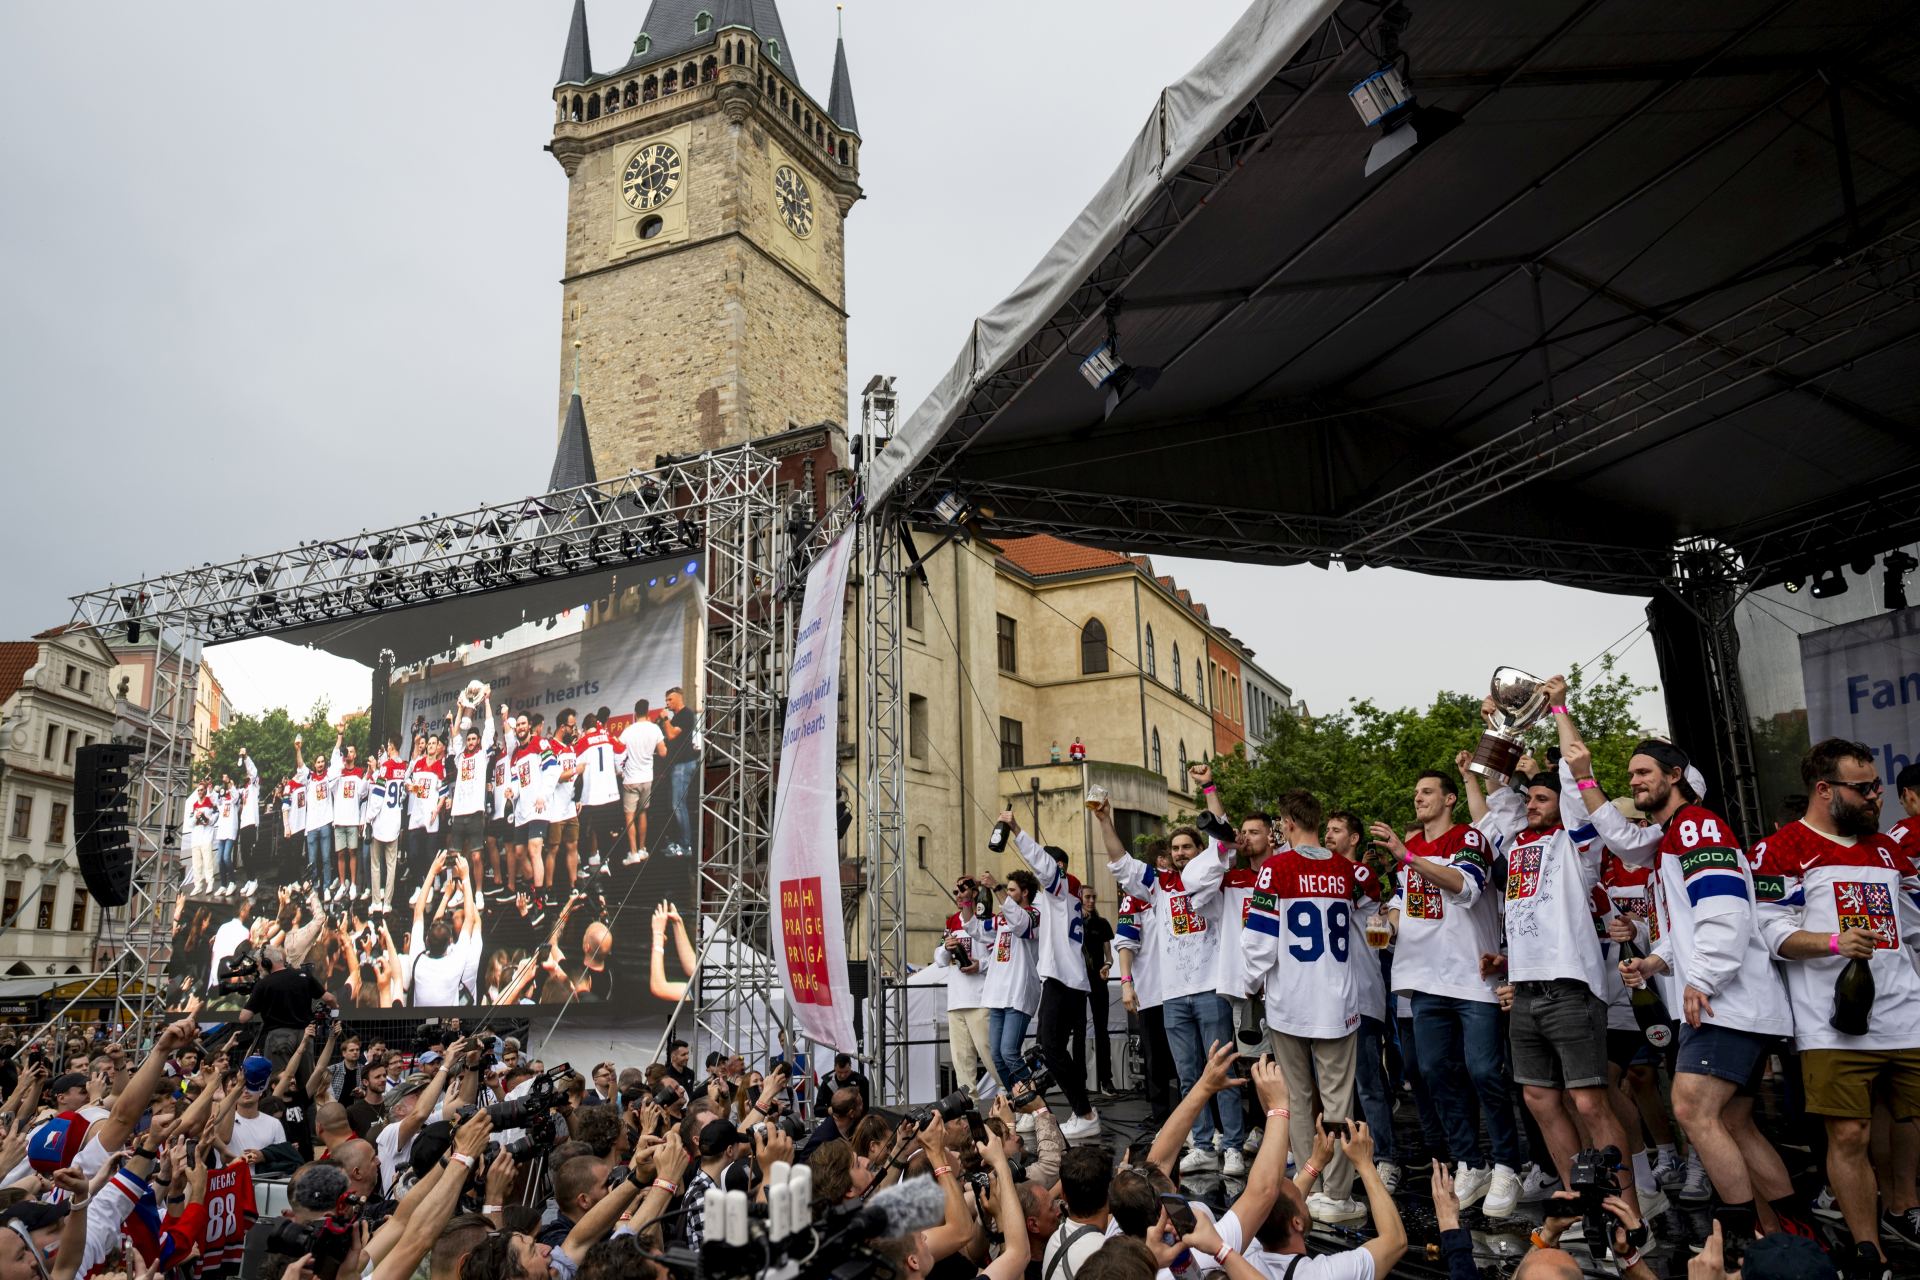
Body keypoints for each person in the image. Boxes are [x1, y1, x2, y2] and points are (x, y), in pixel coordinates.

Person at [1572, 733, 1805, 1243]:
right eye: (1630, 775)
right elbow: (1684, 923)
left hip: (1727, 1004)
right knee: (1737, 1124)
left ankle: (1743, 1242)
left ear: (1675, 776)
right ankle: (1790, 1239)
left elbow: (1725, 912)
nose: (1634, 782)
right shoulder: (1670, 840)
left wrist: (1701, 979)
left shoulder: (1696, 826)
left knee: (1689, 1108)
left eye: (1643, 772)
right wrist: (1655, 961)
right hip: (1729, 1003)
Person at [1469, 690, 1643, 1224]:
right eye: (1530, 801)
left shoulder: (1579, 845)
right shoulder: (1516, 843)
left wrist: (1560, 709)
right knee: (1541, 1101)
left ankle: (1627, 1213)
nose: (1531, 805)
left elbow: (1574, 769)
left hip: (1571, 988)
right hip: (1525, 992)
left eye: (1540, 800)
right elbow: (1494, 792)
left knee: (1590, 1102)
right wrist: (1498, 726)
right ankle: (1581, 1206)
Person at [1751, 737, 1920, 1279]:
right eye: (1865, 787)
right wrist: (1832, 943)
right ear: (1825, 790)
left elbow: (1912, 928)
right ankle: (1869, 1249)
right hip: (1833, 1023)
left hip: (1905, 1013)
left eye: (1877, 786)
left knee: (1910, 1119)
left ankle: (1903, 1208)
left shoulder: (1887, 850)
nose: (1877, 797)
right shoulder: (1782, 848)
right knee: (1850, 1135)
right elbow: (1771, 930)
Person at [1373, 768, 1523, 1216]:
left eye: (1427, 791)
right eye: (1415, 791)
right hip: (1424, 978)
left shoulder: (1469, 839)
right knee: (1437, 1072)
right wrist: (1386, 925)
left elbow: (1467, 889)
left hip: (1471, 977)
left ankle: (1508, 1165)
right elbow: (1402, 905)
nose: (1417, 797)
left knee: (1484, 1072)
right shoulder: (1412, 852)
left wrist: (1406, 856)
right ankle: (1469, 1162)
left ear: (1450, 799)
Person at [1244, 788, 1372, 1222]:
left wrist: (1248, 983)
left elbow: (1258, 942)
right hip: (1337, 1002)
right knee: (1338, 1101)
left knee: (1296, 1097)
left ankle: (1306, 1180)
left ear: (1287, 824)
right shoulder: (1345, 870)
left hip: (1289, 1001)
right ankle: (1337, 1193)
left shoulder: (1274, 869)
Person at [1096, 799, 1235, 1171]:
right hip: (1173, 996)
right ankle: (1203, 1145)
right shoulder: (1158, 886)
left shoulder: (1214, 879)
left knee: (1222, 1069)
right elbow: (1121, 863)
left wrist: (1208, 789)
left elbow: (1224, 835)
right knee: (1189, 1076)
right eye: (1174, 848)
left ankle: (1233, 1145)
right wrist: (1106, 821)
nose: (1179, 853)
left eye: (1187, 847)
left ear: (1199, 851)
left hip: (1210, 989)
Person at [1000, 809, 1102, 1139]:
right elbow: (1027, 925)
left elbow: (1043, 866)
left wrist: (1016, 829)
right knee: (1051, 1047)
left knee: (1051, 1047)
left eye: (1047, 865)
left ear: (1056, 867)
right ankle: (1078, 1109)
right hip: (1067, 980)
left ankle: (1084, 1112)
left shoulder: (1062, 889)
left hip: (1063, 980)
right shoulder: (1057, 899)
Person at [1324, 808, 1399, 1190]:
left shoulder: (1361, 874)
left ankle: (1385, 1157)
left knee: (1369, 1082)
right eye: (1326, 830)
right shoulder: (1321, 874)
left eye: (1337, 831)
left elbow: (1377, 936)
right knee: (1338, 1086)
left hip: (1363, 995)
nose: (1328, 836)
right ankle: (1344, 1156)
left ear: (1354, 839)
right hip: (1328, 999)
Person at [934, 877, 1002, 1099]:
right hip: (956, 1002)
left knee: (991, 1055)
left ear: (975, 893)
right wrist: (947, 947)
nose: (958, 895)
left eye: (963, 891)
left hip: (981, 1000)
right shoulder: (952, 921)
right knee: (962, 1061)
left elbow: (1000, 957)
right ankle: (969, 1109)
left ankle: (1017, 1097)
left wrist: (980, 965)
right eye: (955, 891)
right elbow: (940, 960)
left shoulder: (990, 920)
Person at [982, 870, 1043, 1093]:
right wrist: (967, 899)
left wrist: (997, 889)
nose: (1006, 894)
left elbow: (1020, 925)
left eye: (1011, 890)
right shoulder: (1004, 917)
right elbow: (978, 930)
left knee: (1009, 1052)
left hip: (1019, 992)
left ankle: (1034, 1102)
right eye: (1006, 889)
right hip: (998, 994)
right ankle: (1018, 1102)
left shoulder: (1035, 915)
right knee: (997, 1056)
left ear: (1025, 893)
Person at [237, 946, 336, 1034]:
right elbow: (330, 999)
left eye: (259, 964)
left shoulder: (263, 984)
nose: (258, 968)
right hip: (305, 1036)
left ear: (266, 963)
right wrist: (335, 1013)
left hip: (278, 1038)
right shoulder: (305, 976)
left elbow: (243, 1018)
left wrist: (258, 1003)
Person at [1077, 883, 1117, 1096]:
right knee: (1080, 1031)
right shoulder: (1073, 923)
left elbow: (1109, 955)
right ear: (1080, 898)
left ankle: (1106, 1080)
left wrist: (1107, 965)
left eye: (1094, 897)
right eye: (1088, 897)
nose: (1091, 901)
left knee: (1102, 1030)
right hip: (1077, 981)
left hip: (1097, 980)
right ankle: (1080, 1082)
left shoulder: (1101, 923)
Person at [620, 699, 665, 864]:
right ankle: (642, 849)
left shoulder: (628, 731)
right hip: (647, 778)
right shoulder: (655, 729)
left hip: (631, 778)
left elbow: (618, 750)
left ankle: (633, 853)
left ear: (634, 713)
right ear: (648, 712)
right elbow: (663, 752)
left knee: (629, 816)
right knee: (643, 813)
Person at [660, 687, 700, 857]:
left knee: (678, 805)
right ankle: (681, 843)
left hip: (683, 765)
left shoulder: (685, 714)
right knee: (676, 805)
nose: (667, 703)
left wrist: (664, 720)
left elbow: (671, 735)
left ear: (677, 698)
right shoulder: (678, 716)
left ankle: (685, 845)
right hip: (678, 765)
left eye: (669, 699)